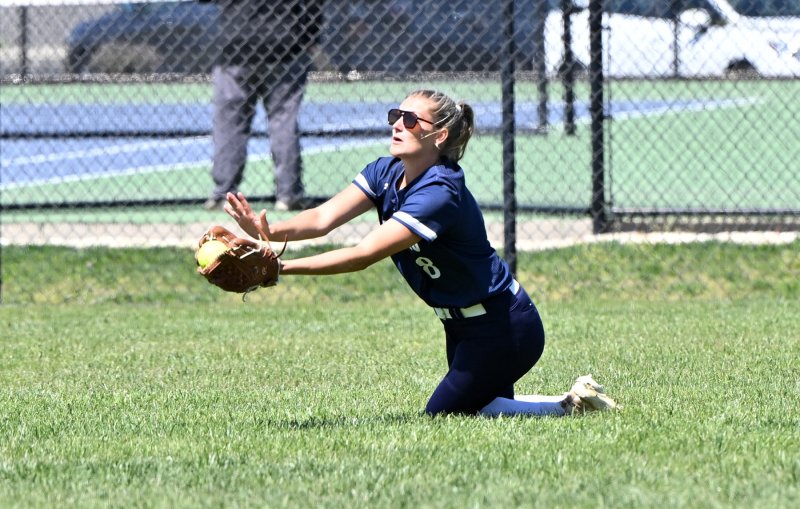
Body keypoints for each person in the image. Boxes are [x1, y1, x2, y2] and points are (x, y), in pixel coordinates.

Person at [224, 89, 619, 416]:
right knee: (488, 408)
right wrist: (267, 231)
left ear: (440, 136)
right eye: (397, 115)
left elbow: (363, 254)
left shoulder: (438, 194)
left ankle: (570, 407)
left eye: (412, 120)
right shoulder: (385, 172)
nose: (398, 124)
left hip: (503, 327)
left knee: (443, 416)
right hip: (461, 328)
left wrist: (280, 268)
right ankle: (574, 401)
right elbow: (323, 218)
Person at [203, 0, 325, 211]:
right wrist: (310, 37)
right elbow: (314, 5)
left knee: (230, 124)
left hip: (239, 45)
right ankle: (288, 194)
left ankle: (224, 194)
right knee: (283, 122)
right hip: (285, 46)